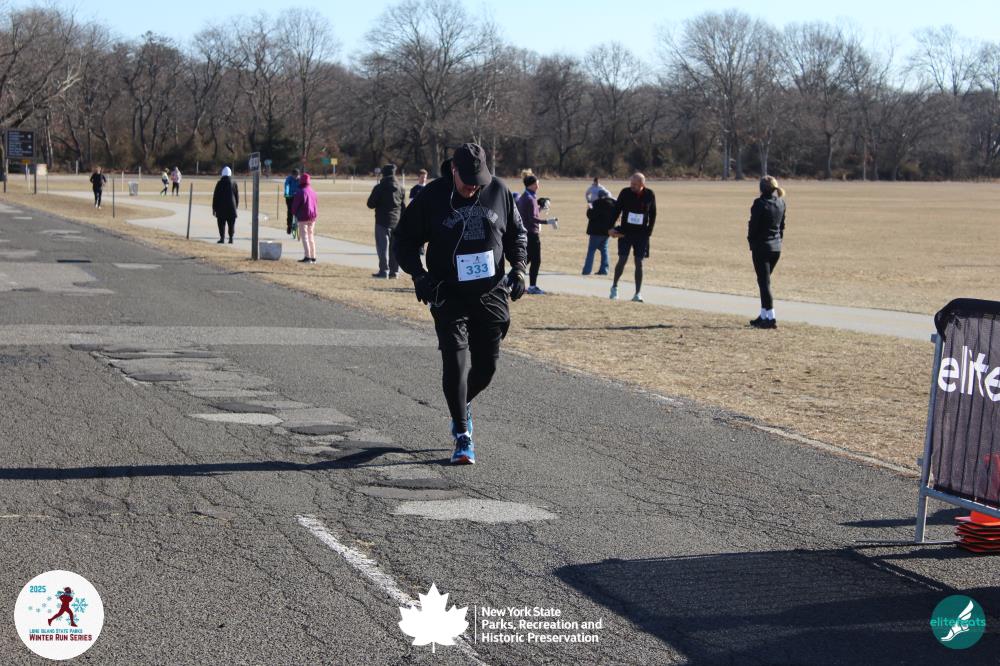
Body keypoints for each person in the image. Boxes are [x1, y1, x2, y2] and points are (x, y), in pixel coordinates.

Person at [393, 143, 527, 465]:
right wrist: (419, 275)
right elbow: (404, 240)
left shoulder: (499, 191)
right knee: (455, 362)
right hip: (448, 293)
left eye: (478, 182)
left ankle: (462, 404)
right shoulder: (432, 197)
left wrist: (520, 268)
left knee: (487, 368)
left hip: (491, 293)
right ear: (453, 170)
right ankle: (462, 434)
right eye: (467, 181)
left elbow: (517, 234)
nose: (473, 188)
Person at [609, 172, 656, 302]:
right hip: (625, 232)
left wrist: (649, 232)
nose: (632, 186)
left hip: (641, 234)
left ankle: (637, 293)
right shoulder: (625, 193)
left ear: (642, 184)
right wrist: (611, 227)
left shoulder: (650, 194)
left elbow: (653, 214)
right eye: (631, 183)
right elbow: (616, 210)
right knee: (622, 260)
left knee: (639, 263)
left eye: (635, 184)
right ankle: (614, 287)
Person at [747, 175, 786, 329]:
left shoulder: (759, 203)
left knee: (764, 283)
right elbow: (781, 227)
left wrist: (751, 241)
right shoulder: (781, 202)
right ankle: (763, 315)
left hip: (761, 248)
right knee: (763, 281)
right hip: (776, 248)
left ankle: (771, 318)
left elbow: (753, 226)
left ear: (761, 189)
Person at [515, 174, 558, 295]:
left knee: (526, 260)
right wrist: (548, 221)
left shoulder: (526, 196)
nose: (538, 186)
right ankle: (532, 286)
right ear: (532, 184)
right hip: (532, 234)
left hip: (526, 233)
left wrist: (540, 207)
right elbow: (532, 218)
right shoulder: (530, 198)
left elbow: (530, 214)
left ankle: (511, 281)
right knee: (536, 260)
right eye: (537, 183)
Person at [366, 163, 405, 278]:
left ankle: (384, 271)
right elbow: (403, 207)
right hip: (397, 221)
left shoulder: (379, 187)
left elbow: (370, 204)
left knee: (382, 248)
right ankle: (395, 271)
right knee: (395, 248)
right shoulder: (400, 188)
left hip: (382, 221)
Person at [582, 189, 615, 275]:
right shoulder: (613, 204)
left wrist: (589, 209)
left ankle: (587, 270)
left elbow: (590, 215)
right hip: (607, 231)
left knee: (591, 251)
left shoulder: (597, 203)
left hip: (596, 231)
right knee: (604, 250)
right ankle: (604, 270)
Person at [291, 172, 318, 263]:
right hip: (312, 217)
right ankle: (313, 257)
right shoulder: (313, 191)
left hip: (303, 216)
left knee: (305, 236)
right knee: (311, 236)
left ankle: (307, 257)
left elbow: (295, 205)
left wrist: (293, 212)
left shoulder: (300, 192)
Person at [211, 166, 239, 244]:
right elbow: (236, 196)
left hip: (221, 208)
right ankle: (231, 238)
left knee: (221, 223)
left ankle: (222, 238)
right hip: (232, 207)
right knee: (231, 224)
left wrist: (214, 208)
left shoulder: (219, 183)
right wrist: (236, 206)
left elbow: (215, 196)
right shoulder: (234, 183)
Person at [284, 168, 301, 235]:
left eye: (297, 175)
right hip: (290, 197)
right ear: (292, 175)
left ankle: (298, 223)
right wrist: (287, 193)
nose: (296, 177)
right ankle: (289, 226)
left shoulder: (300, 179)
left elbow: (302, 186)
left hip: (298, 196)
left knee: (300, 210)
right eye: (294, 175)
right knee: (290, 211)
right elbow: (287, 185)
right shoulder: (289, 178)